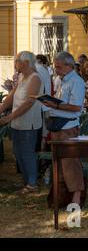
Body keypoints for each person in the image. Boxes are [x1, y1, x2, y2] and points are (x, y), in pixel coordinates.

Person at [41, 51, 86, 205]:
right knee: (58, 163)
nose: (56, 70)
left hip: (68, 127)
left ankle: (76, 197)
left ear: (69, 66)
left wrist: (55, 104)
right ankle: (60, 197)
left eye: (59, 67)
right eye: (55, 67)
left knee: (70, 163)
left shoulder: (77, 82)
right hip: (57, 126)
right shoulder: (60, 80)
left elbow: (75, 107)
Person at [0, 52, 43, 193]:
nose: (15, 63)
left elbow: (29, 103)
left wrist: (8, 117)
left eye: (17, 60)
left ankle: (32, 184)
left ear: (26, 62)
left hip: (28, 122)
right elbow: (11, 96)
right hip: (17, 121)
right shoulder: (21, 76)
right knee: (17, 152)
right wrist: (1, 110)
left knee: (26, 152)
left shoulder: (35, 78)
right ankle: (27, 181)